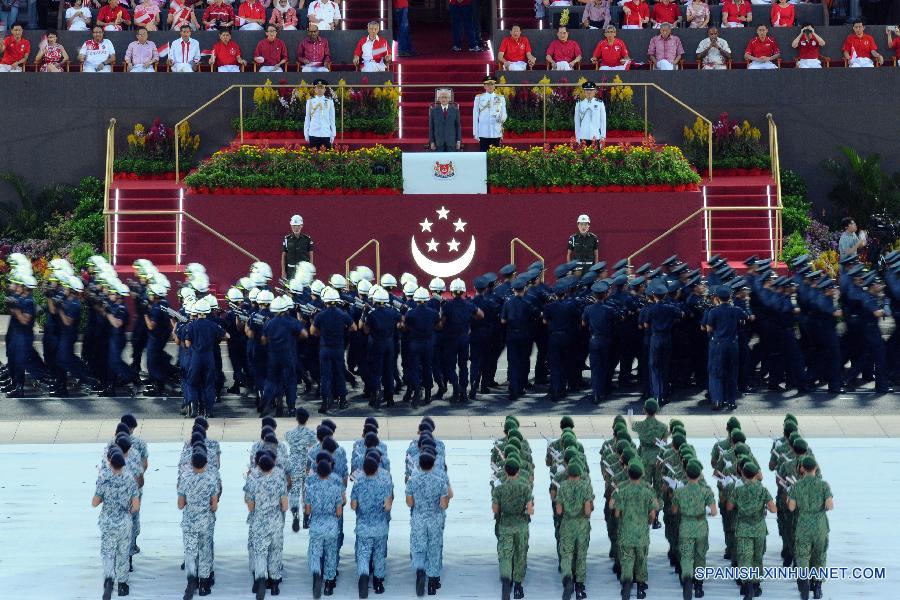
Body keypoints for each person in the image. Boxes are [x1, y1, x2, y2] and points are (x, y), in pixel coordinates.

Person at [94, 450, 140, 600]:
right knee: (122, 552)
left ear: (110, 463)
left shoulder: (104, 478)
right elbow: (136, 506)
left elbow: (94, 502)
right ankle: (122, 585)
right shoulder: (130, 480)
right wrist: (127, 511)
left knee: (108, 552)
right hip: (124, 522)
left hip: (108, 521)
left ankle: (108, 579)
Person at [728, 462, 776, 600]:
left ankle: (747, 586)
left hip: (743, 528)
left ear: (743, 475)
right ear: (756, 475)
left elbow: (730, 507)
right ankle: (756, 585)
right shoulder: (763, 490)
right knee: (757, 557)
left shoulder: (738, 490)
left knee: (745, 558)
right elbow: (773, 509)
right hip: (759, 528)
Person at [610, 460, 657, 600]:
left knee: (627, 560)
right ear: (641, 475)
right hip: (641, 533)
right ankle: (641, 588)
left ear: (628, 475)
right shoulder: (647, 491)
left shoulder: (622, 491)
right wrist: (647, 522)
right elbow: (653, 512)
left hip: (626, 532)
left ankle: (626, 585)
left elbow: (616, 511)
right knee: (641, 560)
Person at [788, 456, 833, 600]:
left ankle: (805, 581)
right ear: (816, 468)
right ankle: (818, 587)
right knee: (819, 556)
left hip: (803, 526)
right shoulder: (824, 485)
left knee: (802, 555)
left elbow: (791, 507)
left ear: (802, 469)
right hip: (820, 526)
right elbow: (830, 505)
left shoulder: (797, 486)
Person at [406, 451, 450, 597]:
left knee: (419, 547)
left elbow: (409, 503)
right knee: (434, 549)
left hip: (419, 518)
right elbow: (443, 505)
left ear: (419, 465)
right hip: (434, 519)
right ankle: (432, 583)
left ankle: (420, 570)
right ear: (433, 465)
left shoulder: (412, 480)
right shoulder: (440, 481)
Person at [672, 460, 716, 600]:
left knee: (686, 556)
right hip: (701, 526)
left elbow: (674, 510)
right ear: (699, 475)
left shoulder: (679, 491)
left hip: (685, 526)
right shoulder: (706, 491)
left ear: (686, 474)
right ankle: (698, 586)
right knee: (700, 556)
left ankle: (687, 581)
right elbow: (714, 511)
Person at [178, 451, 219, 599]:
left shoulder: (185, 479)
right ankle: (204, 584)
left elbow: (180, 505)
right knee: (205, 551)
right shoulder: (211, 479)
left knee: (190, 552)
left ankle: (191, 582)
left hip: (190, 522)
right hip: (206, 521)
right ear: (206, 464)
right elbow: (214, 506)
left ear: (191, 464)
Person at [246, 452, 288, 597]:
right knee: (275, 551)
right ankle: (275, 584)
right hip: (276, 522)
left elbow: (250, 507)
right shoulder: (279, 479)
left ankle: (261, 580)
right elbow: (284, 505)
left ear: (259, 466)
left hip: (259, 522)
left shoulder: (252, 480)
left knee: (260, 553)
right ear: (272, 466)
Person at [351, 455, 394, 597]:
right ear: (377, 468)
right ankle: (378, 583)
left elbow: (353, 505)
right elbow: (388, 507)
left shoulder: (358, 482)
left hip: (363, 525)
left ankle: (363, 575)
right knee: (379, 554)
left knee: (363, 553)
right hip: (380, 525)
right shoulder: (384, 483)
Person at [492, 456, 533, 600]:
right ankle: (517, 587)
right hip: (521, 526)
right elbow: (530, 510)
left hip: (505, 526)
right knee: (519, 555)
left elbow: (495, 509)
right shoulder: (525, 487)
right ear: (518, 471)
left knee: (506, 555)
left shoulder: (499, 488)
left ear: (505, 471)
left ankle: (505, 580)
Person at [310, 286, 356, 413]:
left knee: (325, 375)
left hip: (325, 348)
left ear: (325, 300)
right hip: (338, 348)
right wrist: (343, 331)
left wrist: (322, 333)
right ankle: (342, 401)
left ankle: (325, 402)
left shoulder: (320, 315)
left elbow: (313, 332)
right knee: (339, 374)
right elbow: (354, 327)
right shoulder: (343, 314)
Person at [305, 458, 345, 597]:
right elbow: (339, 511)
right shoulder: (335, 489)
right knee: (331, 554)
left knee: (315, 553)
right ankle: (328, 585)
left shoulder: (310, 488)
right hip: (331, 526)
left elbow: (308, 510)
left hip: (316, 525)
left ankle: (316, 574)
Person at [556, 460, 593, 600]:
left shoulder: (562, 487)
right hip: (582, 525)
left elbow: (559, 511)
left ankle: (567, 580)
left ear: (568, 474)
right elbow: (588, 511)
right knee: (581, 555)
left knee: (566, 554)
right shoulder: (586, 486)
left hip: (567, 525)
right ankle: (580, 587)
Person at [473, 75, 506, 152]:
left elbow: (504, 113)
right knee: (484, 155)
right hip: (484, 132)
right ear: (484, 86)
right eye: (488, 84)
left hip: (496, 131)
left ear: (494, 85)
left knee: (496, 156)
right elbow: (475, 116)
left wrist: (501, 119)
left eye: (492, 84)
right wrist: (476, 132)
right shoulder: (479, 98)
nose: (490, 86)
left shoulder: (500, 98)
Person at [303, 79, 336, 150]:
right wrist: (306, 133)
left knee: (327, 158)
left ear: (325, 89)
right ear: (315, 89)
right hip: (313, 133)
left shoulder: (330, 101)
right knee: (313, 158)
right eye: (318, 88)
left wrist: (333, 134)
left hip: (326, 133)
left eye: (322, 88)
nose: (320, 90)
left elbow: (332, 119)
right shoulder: (310, 101)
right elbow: (307, 118)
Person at [282, 215, 314, 279]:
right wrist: (283, 271)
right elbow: (284, 256)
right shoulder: (286, 239)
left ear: (301, 226)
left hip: (303, 270)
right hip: (290, 270)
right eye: (293, 226)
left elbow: (311, 255)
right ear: (291, 226)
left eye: (298, 226)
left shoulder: (307, 239)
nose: (296, 228)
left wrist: (311, 270)